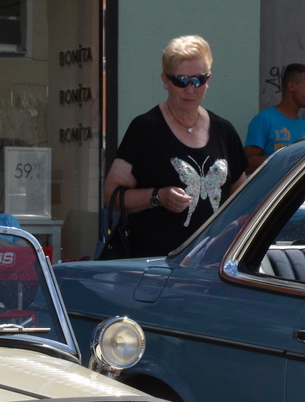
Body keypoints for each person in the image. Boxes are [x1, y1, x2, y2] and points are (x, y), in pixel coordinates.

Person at [103, 34, 247, 258]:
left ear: (209, 80)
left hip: (210, 263)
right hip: (155, 263)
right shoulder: (145, 129)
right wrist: (158, 196)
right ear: (165, 80)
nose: (191, 89)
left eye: (199, 80)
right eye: (181, 80)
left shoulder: (223, 130)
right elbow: (111, 194)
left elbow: (242, 195)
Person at [245, 63, 305, 172]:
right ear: (291, 86)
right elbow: (247, 165)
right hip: (271, 189)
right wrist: (289, 154)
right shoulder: (263, 120)